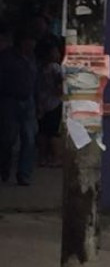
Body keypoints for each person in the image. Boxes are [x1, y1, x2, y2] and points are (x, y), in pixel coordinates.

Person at [0, 32, 38, 185]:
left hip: (28, 100)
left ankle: (24, 174)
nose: (31, 45)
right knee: (7, 138)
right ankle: (4, 167)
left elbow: (35, 80)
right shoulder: (7, 58)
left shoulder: (31, 59)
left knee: (29, 138)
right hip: (10, 100)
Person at [35, 42, 63, 168]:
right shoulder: (55, 68)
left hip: (41, 102)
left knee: (42, 131)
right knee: (53, 133)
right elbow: (59, 86)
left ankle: (43, 157)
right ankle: (56, 158)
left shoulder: (40, 67)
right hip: (54, 102)